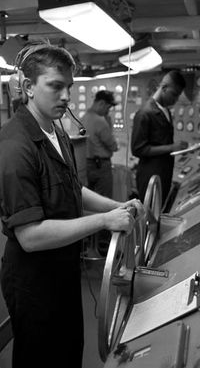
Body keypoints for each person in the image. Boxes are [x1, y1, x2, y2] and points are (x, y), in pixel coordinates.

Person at [0, 43, 144, 368]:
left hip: (63, 269)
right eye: (55, 86)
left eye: (69, 87)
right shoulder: (14, 146)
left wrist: (118, 205)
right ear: (27, 87)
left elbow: (73, 189)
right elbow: (31, 235)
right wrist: (104, 221)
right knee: (41, 358)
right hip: (34, 279)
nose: (66, 96)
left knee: (67, 351)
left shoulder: (55, 130)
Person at [131, 70, 188, 206]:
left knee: (160, 212)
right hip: (150, 176)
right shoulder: (145, 113)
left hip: (164, 173)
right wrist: (172, 147)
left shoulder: (166, 110)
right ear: (164, 88)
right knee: (149, 219)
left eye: (178, 95)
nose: (175, 99)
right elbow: (137, 149)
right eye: (174, 94)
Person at [81, 90, 119, 256]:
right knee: (105, 205)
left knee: (87, 206)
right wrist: (108, 122)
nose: (108, 112)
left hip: (85, 165)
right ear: (102, 104)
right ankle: (104, 246)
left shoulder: (83, 117)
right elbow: (114, 146)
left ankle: (88, 244)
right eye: (108, 108)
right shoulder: (101, 121)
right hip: (101, 166)